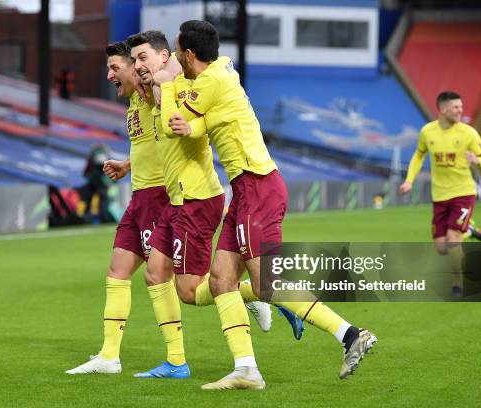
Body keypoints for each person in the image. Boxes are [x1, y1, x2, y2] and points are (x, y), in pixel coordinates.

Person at [159, 20, 377, 390]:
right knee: (221, 279)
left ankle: (350, 333)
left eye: (178, 51)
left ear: (189, 55)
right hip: (245, 191)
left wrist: (165, 83)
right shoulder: (221, 70)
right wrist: (185, 112)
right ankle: (246, 370)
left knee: (267, 286)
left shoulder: (210, 80)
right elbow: (200, 125)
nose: (176, 58)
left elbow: (169, 123)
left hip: (257, 188)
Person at [125, 30, 300, 379]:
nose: (134, 67)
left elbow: (180, 123)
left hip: (196, 196)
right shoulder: (158, 89)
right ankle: (177, 362)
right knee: (160, 276)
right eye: (131, 62)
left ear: (169, 56)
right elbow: (161, 142)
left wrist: (165, 84)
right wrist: (128, 162)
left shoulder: (181, 83)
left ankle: (271, 302)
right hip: (174, 196)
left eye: (141, 58)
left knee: (201, 287)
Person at [65, 41, 168, 375]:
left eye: (115, 68)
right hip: (139, 197)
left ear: (135, 67)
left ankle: (246, 293)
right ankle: (109, 357)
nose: (109, 74)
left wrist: (155, 75)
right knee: (117, 272)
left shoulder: (153, 91)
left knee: (185, 285)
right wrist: (126, 164)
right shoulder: (134, 101)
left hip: (160, 197)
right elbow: (150, 144)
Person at [400, 91, 481, 296]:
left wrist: (478, 161)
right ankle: (468, 229)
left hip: (463, 193)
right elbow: (418, 155)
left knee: (453, 240)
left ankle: (457, 282)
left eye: (461, 107)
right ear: (442, 110)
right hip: (440, 196)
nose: (460, 111)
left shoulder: (468, 133)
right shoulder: (427, 132)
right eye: (455, 108)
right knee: (442, 248)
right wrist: (409, 180)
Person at [82, 144, 114, 223]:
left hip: (94, 180)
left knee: (89, 199)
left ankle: (86, 218)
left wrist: (87, 174)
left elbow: (87, 170)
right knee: (103, 200)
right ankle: (103, 217)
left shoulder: (93, 155)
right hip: (101, 181)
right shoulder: (105, 154)